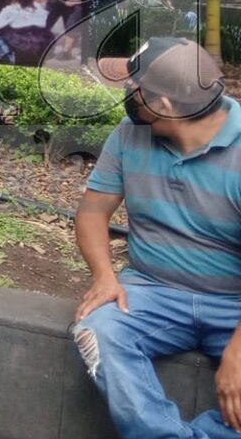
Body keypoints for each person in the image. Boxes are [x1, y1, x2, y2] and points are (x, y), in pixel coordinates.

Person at [74, 38, 241, 439]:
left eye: (134, 87)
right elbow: (92, 213)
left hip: (235, 304)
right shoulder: (129, 133)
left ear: (163, 105)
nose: (127, 95)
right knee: (98, 331)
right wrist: (104, 275)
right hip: (152, 290)